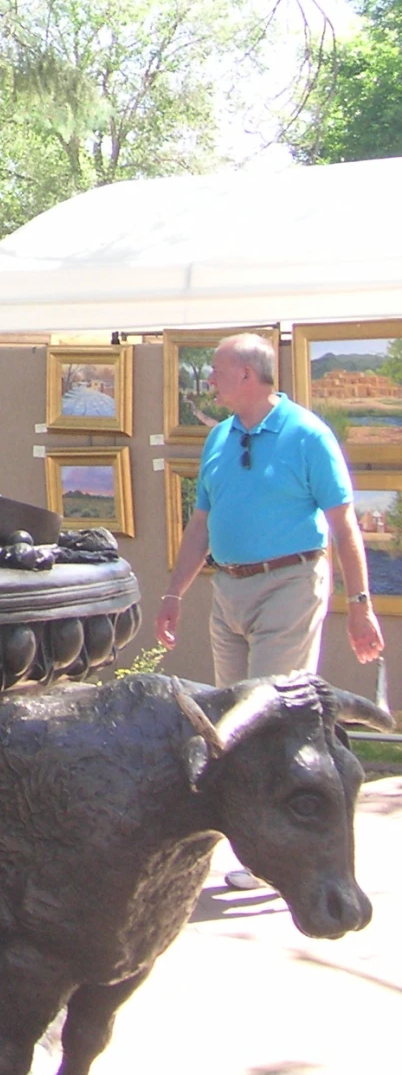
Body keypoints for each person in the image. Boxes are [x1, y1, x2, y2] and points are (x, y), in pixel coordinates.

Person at [156, 331, 384, 888]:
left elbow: (343, 524)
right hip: (229, 591)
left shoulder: (307, 435)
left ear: (248, 377)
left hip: (290, 583)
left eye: (216, 371)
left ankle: (281, 857)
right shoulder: (219, 439)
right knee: (232, 726)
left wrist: (360, 605)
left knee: (270, 718)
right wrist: (173, 594)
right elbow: (201, 526)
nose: (207, 380)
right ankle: (258, 838)